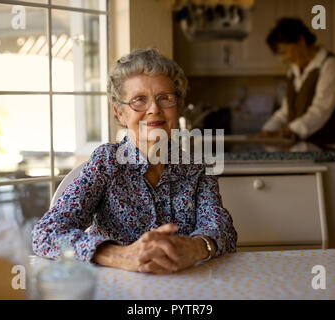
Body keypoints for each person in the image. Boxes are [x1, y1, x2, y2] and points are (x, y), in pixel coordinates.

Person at [31, 48, 237, 275]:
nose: (154, 109)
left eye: (165, 98)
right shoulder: (107, 162)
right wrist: (119, 255)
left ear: (177, 106)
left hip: (185, 286)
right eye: (139, 100)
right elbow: (46, 233)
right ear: (120, 113)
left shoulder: (197, 167)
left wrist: (198, 248)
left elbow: (222, 229)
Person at [251, 18, 335, 146]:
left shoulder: (332, 65)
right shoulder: (294, 70)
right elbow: (286, 111)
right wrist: (267, 130)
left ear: (301, 41)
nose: (285, 59)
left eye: (285, 52)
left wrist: (284, 132)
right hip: (306, 147)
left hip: (332, 147)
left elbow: (320, 111)